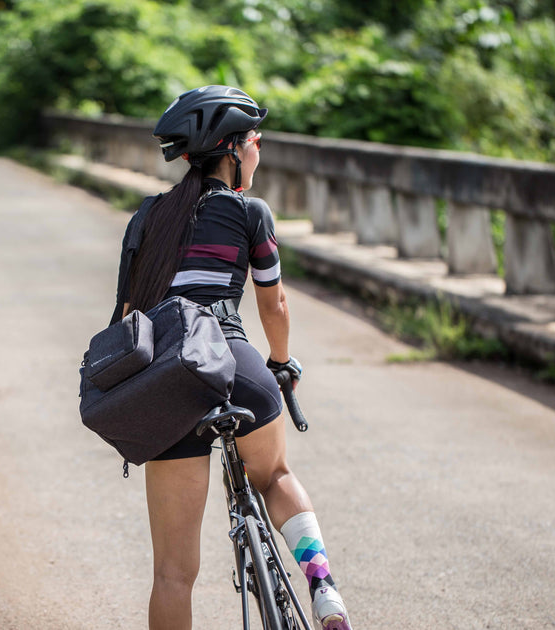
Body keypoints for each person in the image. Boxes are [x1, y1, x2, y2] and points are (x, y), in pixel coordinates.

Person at [111, 86, 353, 630]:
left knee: (172, 575)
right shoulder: (249, 213)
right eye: (256, 141)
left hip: (164, 384)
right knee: (272, 476)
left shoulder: (146, 218)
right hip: (233, 365)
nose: (259, 150)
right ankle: (323, 589)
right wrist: (282, 362)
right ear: (233, 150)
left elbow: (129, 314)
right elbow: (275, 302)